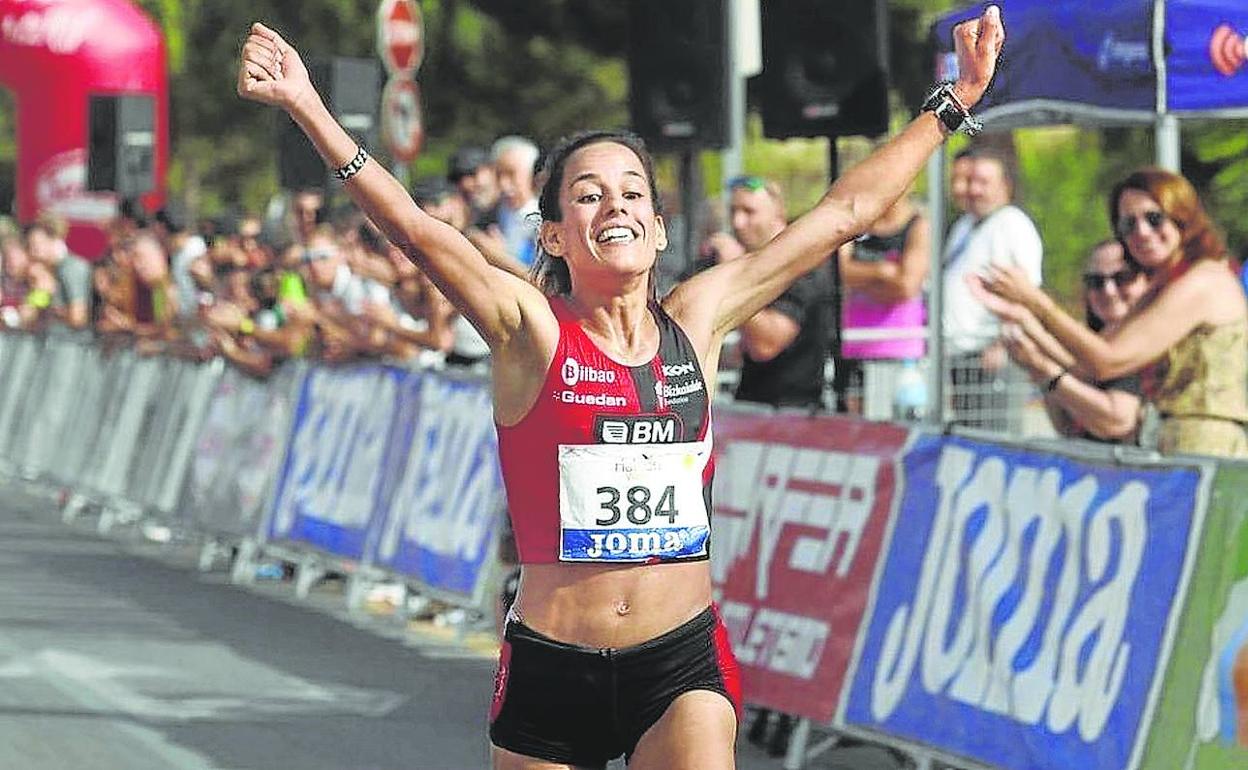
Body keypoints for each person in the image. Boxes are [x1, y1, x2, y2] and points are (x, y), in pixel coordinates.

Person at [236, 9, 1003, 767]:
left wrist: (954, 103)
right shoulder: (528, 330)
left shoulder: (698, 320)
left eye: (634, 192)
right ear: (555, 236)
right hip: (553, 666)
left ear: (660, 229)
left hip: (679, 664)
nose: (617, 206)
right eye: (590, 194)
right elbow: (416, 230)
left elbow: (843, 215)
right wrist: (308, 105)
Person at [978, 167, 1248, 458]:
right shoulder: (1163, 288)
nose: (1142, 232)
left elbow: (1108, 361)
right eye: (1128, 225)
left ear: (1183, 217)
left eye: (1154, 218)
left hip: (1211, 444)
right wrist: (1025, 322)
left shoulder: (1203, 280)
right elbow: (1087, 364)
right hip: (1171, 443)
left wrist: (1037, 304)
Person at [976, 239, 1150, 442]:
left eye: (1123, 278)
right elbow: (1066, 426)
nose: (1109, 291)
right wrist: (1030, 338)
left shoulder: (1150, 342)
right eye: (1096, 282)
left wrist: (1045, 368)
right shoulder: (1095, 342)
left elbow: (1116, 420)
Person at [942, 147, 1043, 430]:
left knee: (994, 437)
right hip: (963, 357)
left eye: (984, 182)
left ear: (1005, 187)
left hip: (994, 355)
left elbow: (1028, 291)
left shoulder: (1013, 224)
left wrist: (1001, 343)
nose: (974, 190)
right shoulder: (965, 225)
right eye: (971, 181)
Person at [724, 175, 835, 410]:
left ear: (778, 214)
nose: (737, 222)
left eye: (749, 212)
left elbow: (766, 344)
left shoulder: (802, 264)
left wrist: (733, 277)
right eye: (733, 211)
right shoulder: (748, 262)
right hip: (749, 406)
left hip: (793, 412)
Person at [836, 195, 930, 417]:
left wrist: (860, 280)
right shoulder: (857, 224)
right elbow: (838, 272)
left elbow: (906, 287)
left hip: (899, 353)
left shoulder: (918, 226)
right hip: (854, 347)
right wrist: (882, 272)